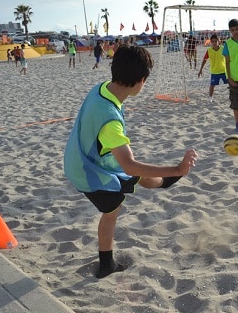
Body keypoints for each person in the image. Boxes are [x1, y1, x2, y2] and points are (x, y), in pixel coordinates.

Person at [64, 45, 198, 279]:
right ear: (141, 81)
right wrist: (177, 167)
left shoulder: (103, 89)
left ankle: (166, 180)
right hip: (85, 170)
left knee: (140, 177)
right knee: (113, 208)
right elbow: (129, 165)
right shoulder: (110, 120)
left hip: (81, 154)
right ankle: (106, 265)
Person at [197, 33, 227, 103]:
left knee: (231, 84)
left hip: (224, 71)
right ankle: (210, 97)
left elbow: (229, 59)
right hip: (214, 72)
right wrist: (200, 70)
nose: (214, 43)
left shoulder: (223, 49)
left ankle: (233, 96)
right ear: (210, 42)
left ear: (219, 41)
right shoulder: (209, 50)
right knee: (212, 86)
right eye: (212, 41)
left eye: (215, 41)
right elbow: (204, 60)